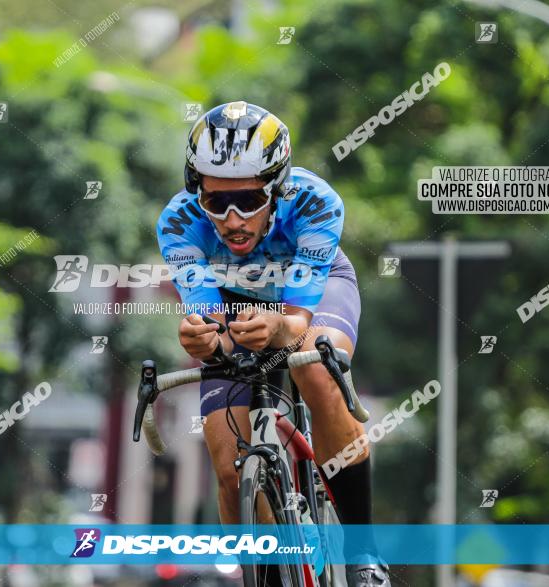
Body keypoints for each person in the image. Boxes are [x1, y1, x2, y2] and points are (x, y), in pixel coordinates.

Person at [157, 101, 391, 586]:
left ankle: (364, 551)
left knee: (316, 369)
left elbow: (295, 322)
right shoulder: (178, 223)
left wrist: (279, 328)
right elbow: (209, 321)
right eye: (216, 202)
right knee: (226, 460)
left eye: (249, 199)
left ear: (278, 188)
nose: (233, 218)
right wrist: (201, 340)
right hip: (236, 306)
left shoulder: (315, 202)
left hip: (307, 296)